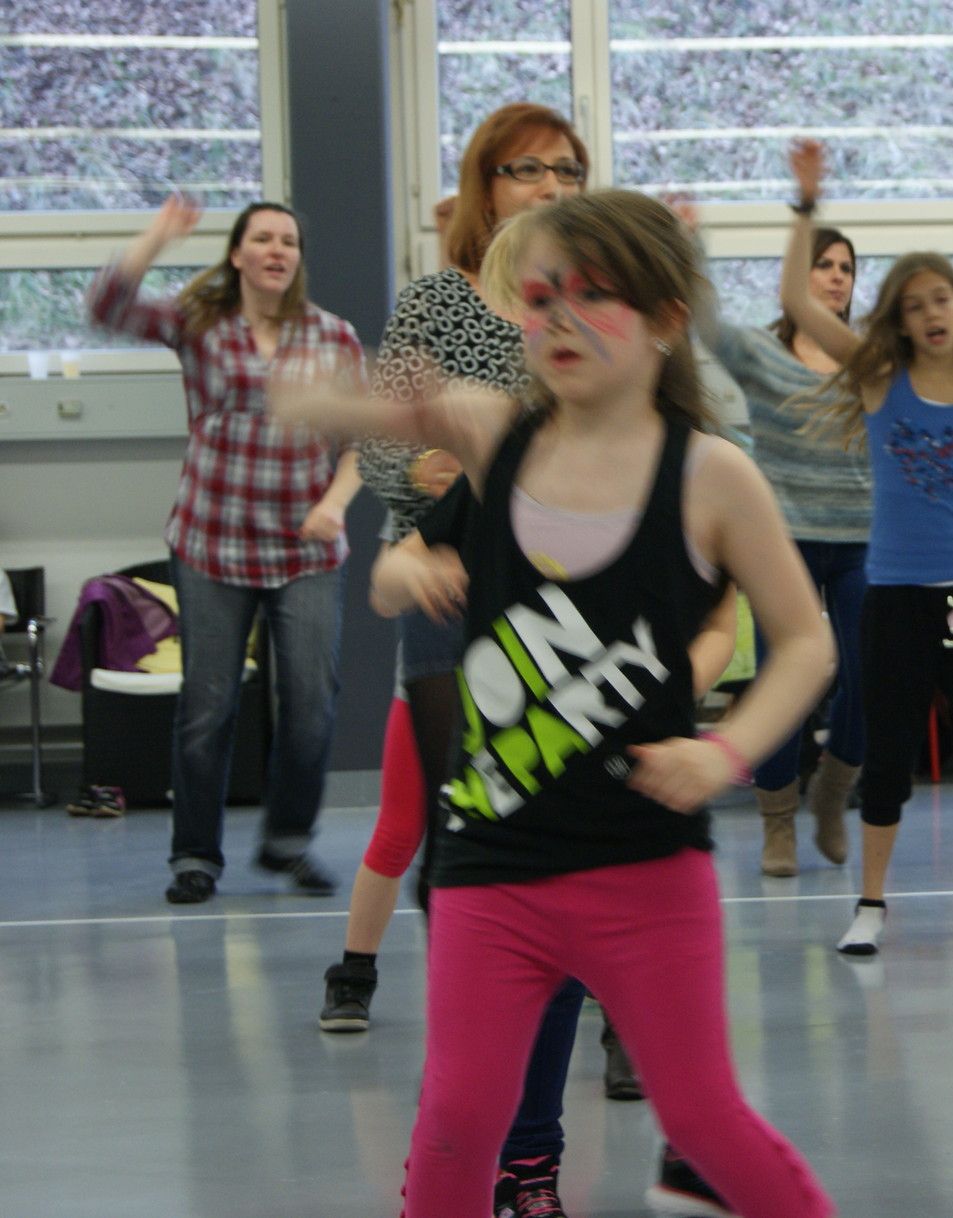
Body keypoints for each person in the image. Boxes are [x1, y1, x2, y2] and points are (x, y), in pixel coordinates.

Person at [328, 189, 836, 1217]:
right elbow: (385, 508)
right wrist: (400, 569)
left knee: (702, 1120)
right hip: (492, 866)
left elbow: (805, 641)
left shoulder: (711, 476)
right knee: (457, 1117)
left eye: (593, 295)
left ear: (664, 318)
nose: (559, 318)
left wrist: (725, 751)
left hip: (644, 868)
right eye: (540, 297)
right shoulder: (499, 442)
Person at [322, 101, 587, 1034]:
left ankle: (605, 1016)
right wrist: (428, 468)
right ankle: (466, 1013)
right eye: (527, 169)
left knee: (575, 804)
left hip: (563, 578)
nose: (550, 186)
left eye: (566, 169)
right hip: (446, 573)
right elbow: (384, 442)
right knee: (453, 812)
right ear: (488, 185)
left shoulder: (590, 300)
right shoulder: (436, 301)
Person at [88, 196, 363, 905]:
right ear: (238, 254)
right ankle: (195, 856)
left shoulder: (333, 336)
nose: (277, 250)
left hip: (305, 551)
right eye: (262, 238)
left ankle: (288, 841)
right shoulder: (200, 323)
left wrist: (334, 504)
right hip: (212, 544)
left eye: (288, 241)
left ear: (298, 259)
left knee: (311, 704)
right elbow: (107, 305)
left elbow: (363, 442)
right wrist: (160, 232)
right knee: (208, 707)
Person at [779, 139, 953, 956]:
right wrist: (806, 207)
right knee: (888, 760)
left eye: (941, 298)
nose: (930, 313)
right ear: (900, 321)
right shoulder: (880, 377)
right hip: (895, 599)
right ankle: (871, 902)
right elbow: (798, 303)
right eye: (914, 305)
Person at [694, 173, 870, 878]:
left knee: (865, 677)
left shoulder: (868, 360)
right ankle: (777, 823)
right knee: (780, 679)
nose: (835, 276)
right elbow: (703, 322)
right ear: (800, 277)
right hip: (785, 542)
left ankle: (833, 791)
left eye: (846, 267)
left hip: (861, 540)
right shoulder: (761, 353)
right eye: (823, 264)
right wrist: (689, 248)